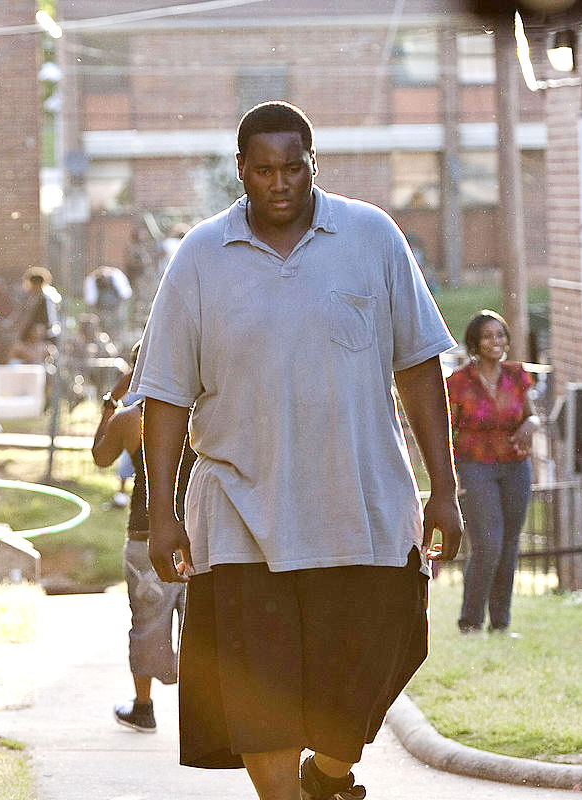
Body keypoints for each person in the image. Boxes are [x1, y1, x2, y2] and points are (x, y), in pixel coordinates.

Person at [133, 101, 463, 800]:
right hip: (240, 515)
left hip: (363, 509)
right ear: (241, 172)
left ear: (315, 164)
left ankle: (332, 773)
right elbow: (164, 395)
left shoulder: (371, 236)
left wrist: (447, 488)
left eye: (293, 168)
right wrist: (162, 513)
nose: (278, 183)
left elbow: (419, 368)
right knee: (262, 701)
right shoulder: (200, 256)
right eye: (263, 171)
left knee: (380, 661)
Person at [92, 342, 196, 734]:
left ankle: (143, 707)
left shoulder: (130, 418)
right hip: (201, 531)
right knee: (201, 626)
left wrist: (109, 403)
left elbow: (101, 458)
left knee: (147, 622)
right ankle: (203, 712)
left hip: (146, 532)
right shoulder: (204, 414)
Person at [445, 310, 538, 635]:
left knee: (510, 545)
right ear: (475, 342)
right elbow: (446, 429)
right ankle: (470, 622)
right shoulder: (459, 381)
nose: (495, 341)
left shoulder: (516, 375)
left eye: (500, 335)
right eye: (487, 336)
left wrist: (530, 424)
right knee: (488, 545)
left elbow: (532, 416)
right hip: (475, 467)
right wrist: (449, 476)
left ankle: (501, 624)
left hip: (515, 466)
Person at [9, 267, 62, 365]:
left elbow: (46, 324)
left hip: (40, 340)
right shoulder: (29, 298)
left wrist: (36, 336)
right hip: (27, 339)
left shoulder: (45, 300)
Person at [83, 264, 133, 340]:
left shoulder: (117, 276)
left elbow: (125, 294)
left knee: (117, 330)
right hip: (101, 310)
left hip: (116, 308)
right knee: (103, 330)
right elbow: (91, 300)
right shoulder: (92, 280)